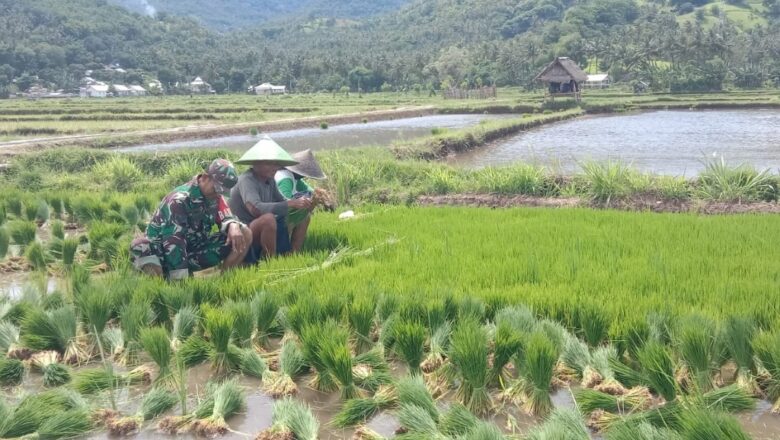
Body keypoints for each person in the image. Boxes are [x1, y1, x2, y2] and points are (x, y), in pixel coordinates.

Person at [130, 159, 252, 280]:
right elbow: (174, 243)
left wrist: (233, 225)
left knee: (244, 232)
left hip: (191, 250)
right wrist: (181, 280)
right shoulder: (179, 201)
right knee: (141, 245)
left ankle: (225, 277)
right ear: (204, 177)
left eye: (221, 192)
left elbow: (226, 215)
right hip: (162, 253)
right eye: (216, 189)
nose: (218, 195)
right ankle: (165, 279)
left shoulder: (215, 197)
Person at [229, 136, 311, 261]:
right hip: (244, 230)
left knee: (303, 215)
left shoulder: (270, 180)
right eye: (269, 163)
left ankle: (292, 255)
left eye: (276, 164)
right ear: (256, 163)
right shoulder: (247, 180)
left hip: (260, 225)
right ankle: (269, 260)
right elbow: (255, 209)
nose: (275, 167)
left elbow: (282, 201)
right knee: (268, 219)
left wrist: (301, 204)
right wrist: (290, 203)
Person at [274, 149, 326, 252]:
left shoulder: (295, 178)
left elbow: (310, 191)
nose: (305, 176)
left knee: (305, 216)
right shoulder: (285, 178)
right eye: (304, 173)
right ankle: (283, 250)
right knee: (301, 216)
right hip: (272, 214)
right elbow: (284, 202)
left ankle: (294, 251)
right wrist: (301, 203)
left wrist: (321, 196)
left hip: (277, 213)